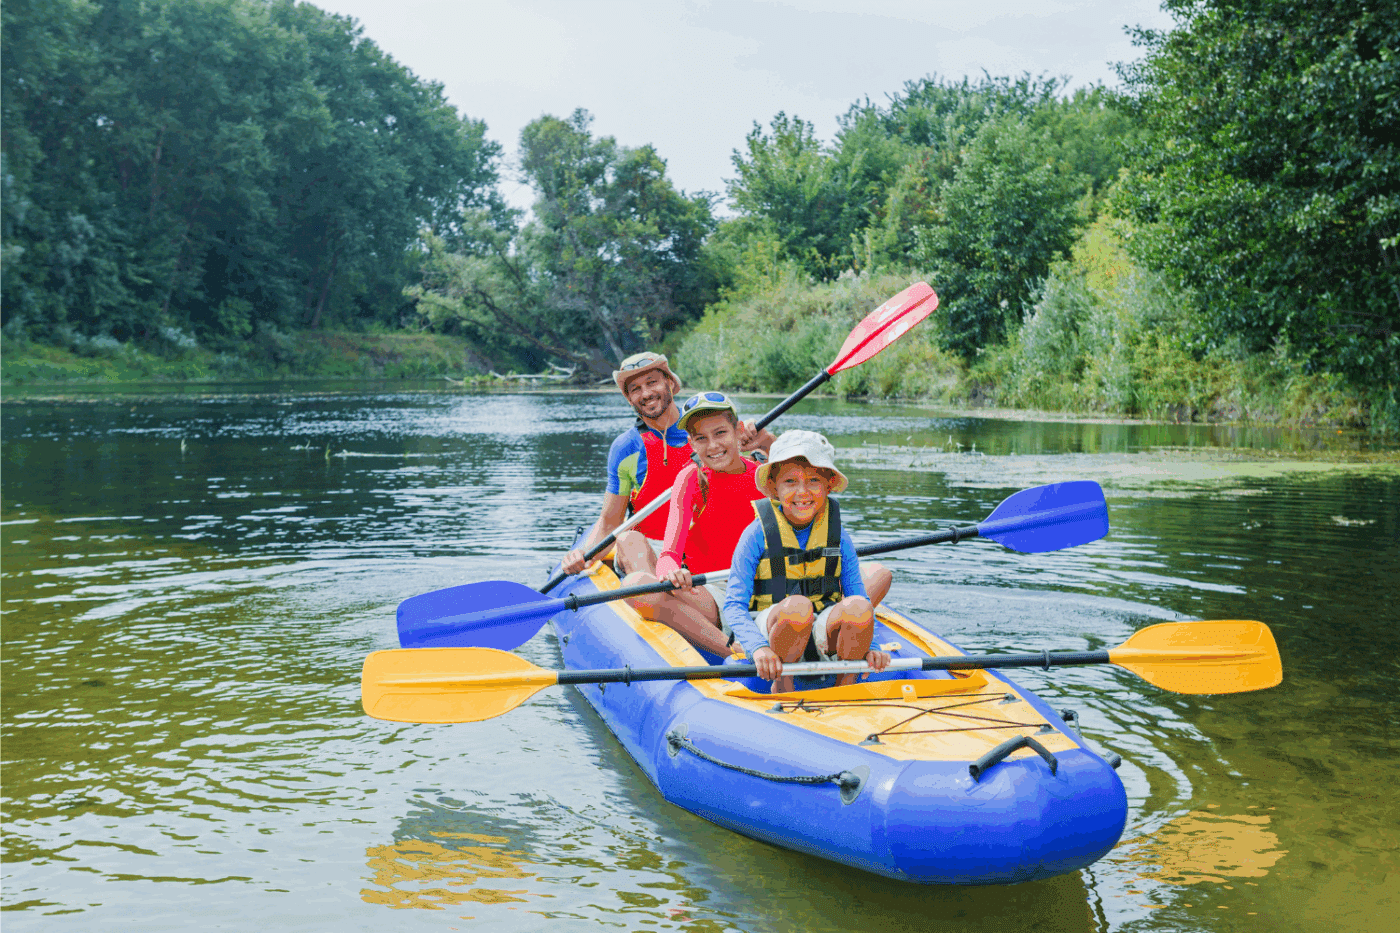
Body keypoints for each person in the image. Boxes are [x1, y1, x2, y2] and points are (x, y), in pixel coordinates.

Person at [560, 354, 766, 579]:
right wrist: (584, 555)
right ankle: (660, 599)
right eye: (635, 389)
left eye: (652, 382)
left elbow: (773, 471)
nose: (646, 393)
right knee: (629, 540)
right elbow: (611, 522)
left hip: (709, 546)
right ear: (629, 399)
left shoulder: (711, 432)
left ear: (670, 383)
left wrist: (763, 439)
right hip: (652, 548)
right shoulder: (626, 448)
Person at [723, 431, 891, 693]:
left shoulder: (838, 535)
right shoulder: (756, 533)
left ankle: (844, 689)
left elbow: (859, 595)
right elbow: (733, 605)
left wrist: (874, 647)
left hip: (821, 626)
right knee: (798, 608)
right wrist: (758, 647)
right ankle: (783, 686)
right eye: (790, 481)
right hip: (773, 627)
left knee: (858, 607)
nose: (803, 492)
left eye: (814, 480)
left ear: (828, 485)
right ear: (774, 488)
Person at [619, 392, 774, 657]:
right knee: (636, 584)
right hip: (714, 591)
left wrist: (769, 440)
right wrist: (671, 571)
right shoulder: (690, 478)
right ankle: (732, 651)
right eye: (701, 438)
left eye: (720, 433)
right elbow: (670, 552)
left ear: (739, 431)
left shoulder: (765, 473)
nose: (712, 445)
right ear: (691, 443)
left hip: (764, 590)